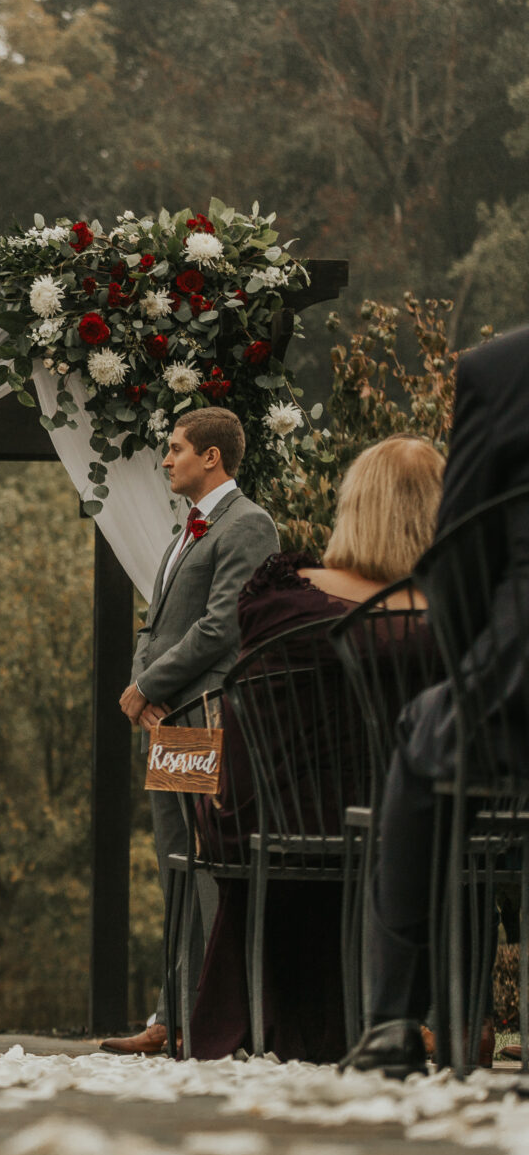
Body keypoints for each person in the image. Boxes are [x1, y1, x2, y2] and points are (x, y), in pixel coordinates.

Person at [188, 436, 443, 1063]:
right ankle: (451, 1017)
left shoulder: (284, 598)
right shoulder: (451, 620)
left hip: (284, 823)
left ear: (353, 505)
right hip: (419, 836)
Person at [345, 325, 529, 1077]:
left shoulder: (503, 368)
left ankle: (395, 1019)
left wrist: (470, 661)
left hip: (520, 682)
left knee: (424, 739)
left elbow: (462, 554)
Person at [102, 406, 280, 1056]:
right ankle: (170, 1015)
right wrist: (142, 686)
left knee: (207, 865)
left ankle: (209, 1021)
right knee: (175, 867)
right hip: (174, 721)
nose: (167, 458)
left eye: (177, 448)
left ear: (212, 457)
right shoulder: (187, 531)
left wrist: (149, 687)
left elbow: (224, 626)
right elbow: (156, 626)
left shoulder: (250, 524)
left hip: (209, 716)